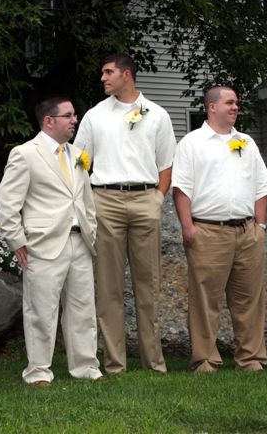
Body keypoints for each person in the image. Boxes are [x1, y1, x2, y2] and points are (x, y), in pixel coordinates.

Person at [74, 53, 176, 374]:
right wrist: (88, 201)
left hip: (146, 198)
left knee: (149, 286)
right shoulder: (94, 116)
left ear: (126, 75)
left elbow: (166, 164)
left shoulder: (156, 114)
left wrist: (157, 198)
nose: (103, 78)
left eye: (108, 72)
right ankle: (115, 363)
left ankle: (154, 363)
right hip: (105, 201)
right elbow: (80, 162)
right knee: (108, 288)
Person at [0, 96, 103, 386]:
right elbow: (8, 201)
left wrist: (91, 230)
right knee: (41, 311)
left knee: (83, 309)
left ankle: (86, 367)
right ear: (48, 121)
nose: (74, 120)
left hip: (79, 241)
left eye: (74, 115)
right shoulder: (25, 153)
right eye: (68, 116)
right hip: (43, 243)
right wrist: (16, 240)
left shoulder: (77, 154)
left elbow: (85, 199)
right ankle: (38, 371)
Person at [172, 86, 267, 372]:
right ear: (212, 107)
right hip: (208, 231)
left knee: (250, 299)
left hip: (247, 232)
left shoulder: (246, 142)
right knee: (205, 300)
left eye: (236, 103)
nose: (235, 107)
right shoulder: (192, 143)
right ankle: (205, 359)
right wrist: (188, 227)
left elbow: (261, 187)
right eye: (229, 103)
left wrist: (260, 226)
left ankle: (251, 358)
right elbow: (181, 189)